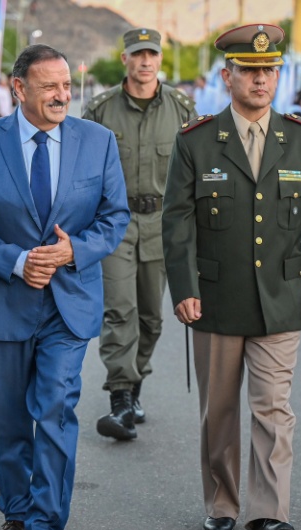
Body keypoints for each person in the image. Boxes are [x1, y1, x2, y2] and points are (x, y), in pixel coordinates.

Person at [0, 44, 129, 530]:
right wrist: (18, 260)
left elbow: (115, 216)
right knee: (9, 418)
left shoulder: (98, 141)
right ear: (19, 89)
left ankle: (45, 528)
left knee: (54, 410)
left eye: (66, 85)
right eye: (50, 86)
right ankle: (16, 513)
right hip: (4, 300)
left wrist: (75, 250)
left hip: (69, 304)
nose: (62, 95)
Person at [162, 24, 301, 530]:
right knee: (219, 411)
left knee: (273, 409)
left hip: (281, 297)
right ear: (227, 75)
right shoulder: (196, 140)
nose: (261, 80)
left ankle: (268, 515)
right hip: (214, 299)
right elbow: (177, 223)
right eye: (250, 70)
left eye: (269, 71)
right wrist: (184, 287)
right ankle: (222, 502)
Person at [82, 27, 196, 440]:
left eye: (151, 54)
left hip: (163, 225)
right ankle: (120, 398)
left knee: (151, 317)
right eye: (137, 54)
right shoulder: (100, 110)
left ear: (160, 59)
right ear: (125, 59)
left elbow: (199, 172)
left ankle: (134, 387)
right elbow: (81, 171)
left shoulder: (183, 109)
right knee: (120, 310)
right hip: (114, 222)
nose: (145, 61)